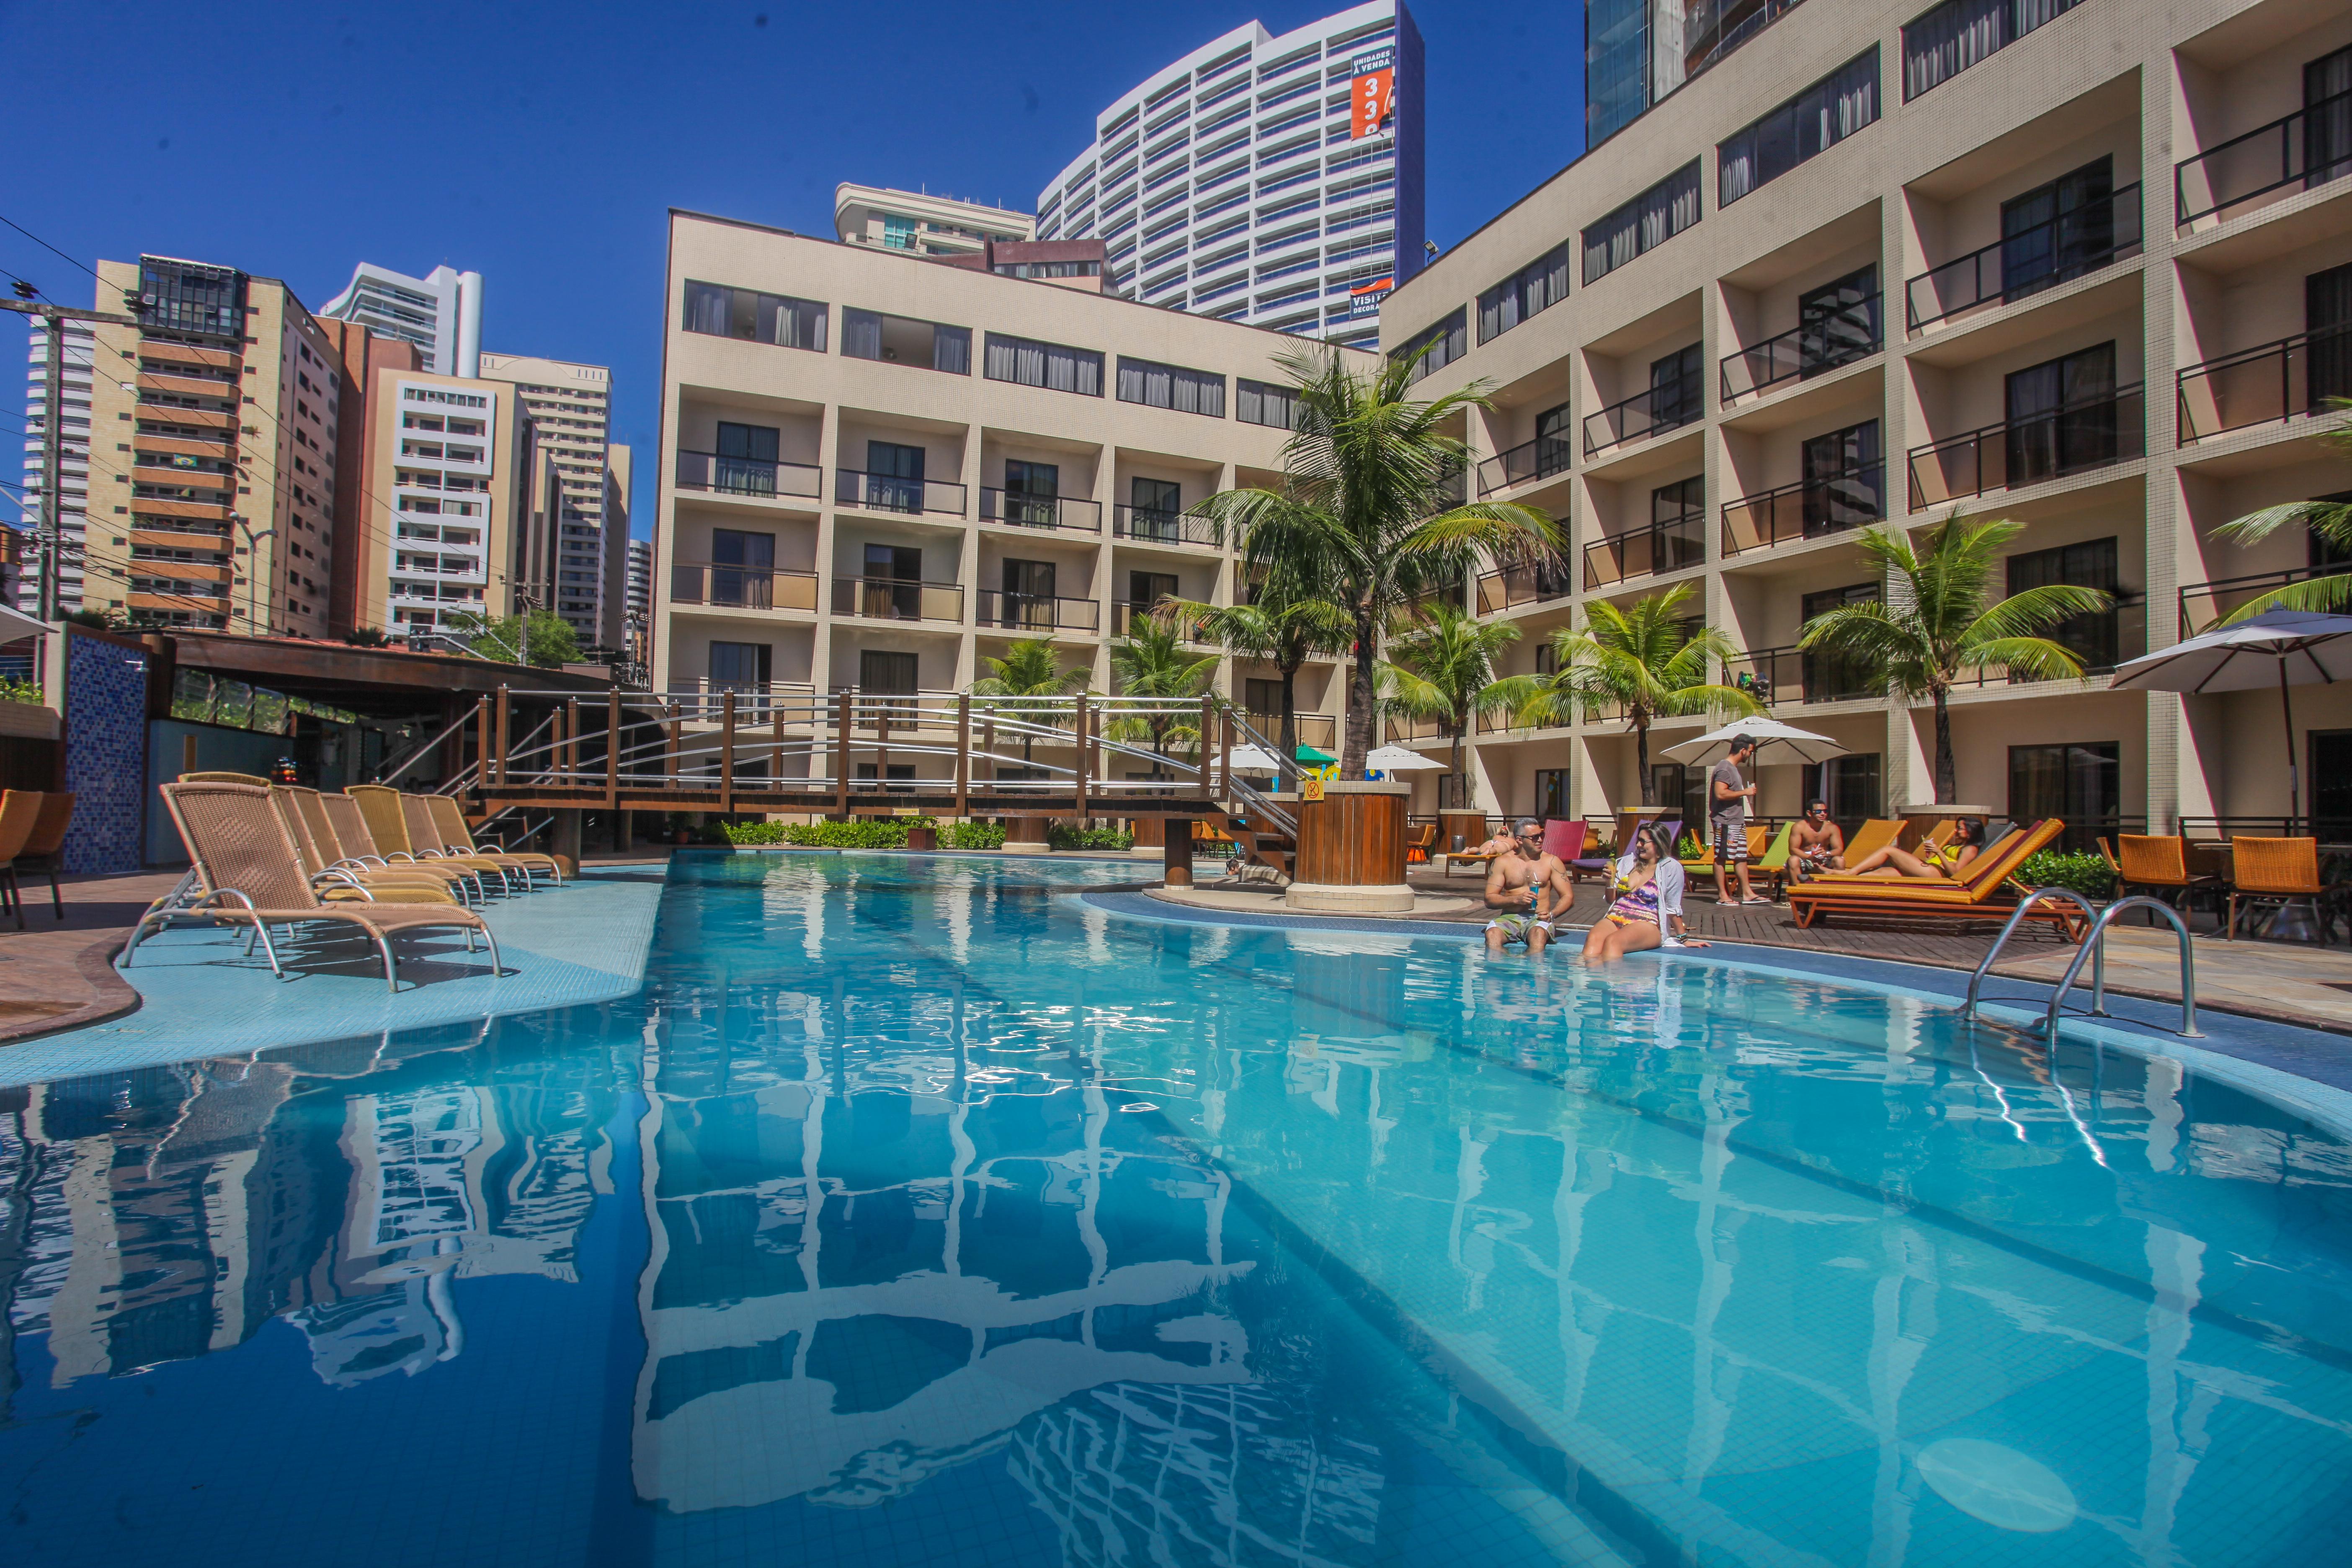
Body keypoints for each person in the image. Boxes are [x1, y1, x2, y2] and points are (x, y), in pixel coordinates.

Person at [1582, 823, 1708, 960]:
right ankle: (1590, 979)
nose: (1638, 845)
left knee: (1614, 942)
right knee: (1593, 939)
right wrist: (1609, 883)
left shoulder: (1671, 868)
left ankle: (1613, 979)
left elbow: (1673, 908)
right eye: (1638, 840)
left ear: (1659, 843)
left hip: (1647, 922)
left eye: (1643, 842)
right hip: (1616, 916)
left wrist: (1684, 939)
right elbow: (1611, 900)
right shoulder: (1627, 862)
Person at [1483, 817, 1572, 953]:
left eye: (1542, 835)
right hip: (1509, 917)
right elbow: (1489, 899)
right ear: (1519, 840)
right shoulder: (1503, 862)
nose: (1541, 840)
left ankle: (1532, 972)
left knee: (1538, 936)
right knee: (1492, 935)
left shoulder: (1552, 861)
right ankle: (1501, 971)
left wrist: (1552, 915)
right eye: (1535, 837)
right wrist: (1515, 899)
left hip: (1538, 918)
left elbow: (1568, 897)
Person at [1709, 737, 1769, 905]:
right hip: (1726, 820)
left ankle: (1748, 893)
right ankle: (1723, 895)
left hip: (1736, 820)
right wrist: (1745, 792)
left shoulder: (1733, 769)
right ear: (1743, 750)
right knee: (1722, 857)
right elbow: (1720, 794)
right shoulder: (1725, 769)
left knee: (1741, 856)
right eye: (1751, 751)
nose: (1750, 754)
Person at [1841, 816, 1986, 879]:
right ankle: (1844, 879)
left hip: (1935, 875)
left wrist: (1939, 852)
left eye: (1960, 829)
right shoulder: (1960, 846)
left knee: (1888, 850)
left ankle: (1851, 873)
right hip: (1931, 870)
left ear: (1971, 832)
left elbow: (1955, 873)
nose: (1956, 831)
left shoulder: (1970, 849)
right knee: (1883, 872)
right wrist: (1932, 854)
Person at [1788, 799, 1845, 881]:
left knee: (1839, 860)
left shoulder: (1832, 828)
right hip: (1805, 858)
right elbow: (1793, 850)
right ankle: (1797, 890)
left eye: (1825, 811)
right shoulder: (1799, 827)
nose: (1823, 814)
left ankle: (1835, 890)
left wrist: (1827, 853)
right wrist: (1810, 857)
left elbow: (1839, 850)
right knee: (1793, 860)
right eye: (1819, 811)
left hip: (1824, 858)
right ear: (1809, 813)